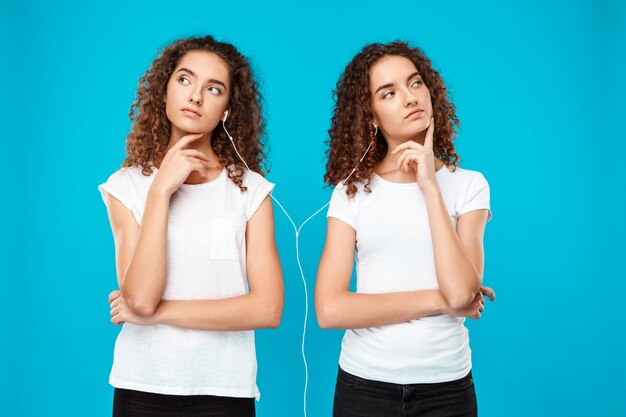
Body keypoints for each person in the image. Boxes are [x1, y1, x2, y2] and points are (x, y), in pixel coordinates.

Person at [98, 35, 283, 417]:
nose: (195, 96)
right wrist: (161, 190)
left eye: (212, 88)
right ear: (163, 92)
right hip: (143, 385)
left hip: (225, 388)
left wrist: (159, 315)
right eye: (184, 80)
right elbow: (141, 298)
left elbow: (267, 308)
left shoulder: (251, 190)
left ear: (227, 109)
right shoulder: (125, 187)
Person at [315, 41, 495, 417]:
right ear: (372, 116)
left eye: (415, 84)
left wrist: (430, 187)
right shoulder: (352, 192)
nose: (409, 98)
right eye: (389, 93)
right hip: (363, 387)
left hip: (447, 389)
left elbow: (463, 291)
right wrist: (438, 300)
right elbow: (330, 309)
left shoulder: (469, 185)